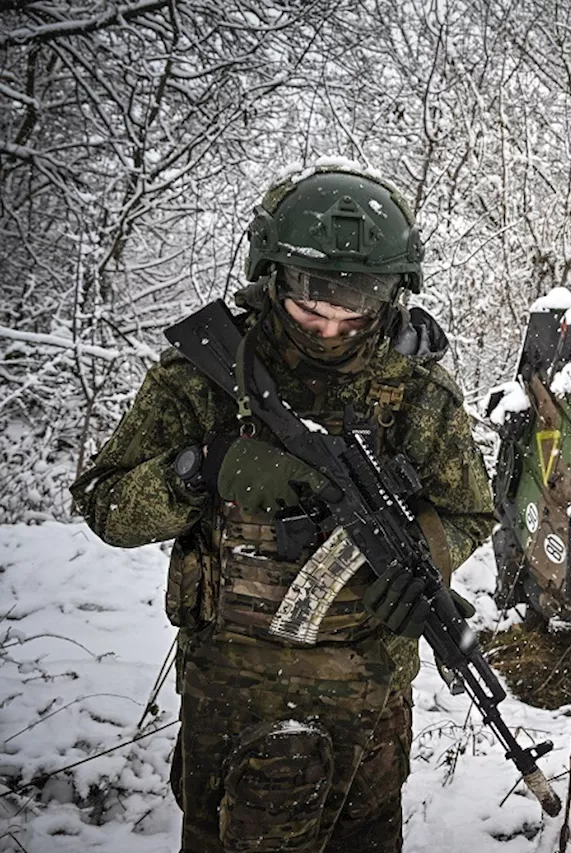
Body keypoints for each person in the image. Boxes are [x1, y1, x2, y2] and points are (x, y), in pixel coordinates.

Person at [70, 164, 495, 852]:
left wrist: (420, 560)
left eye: (354, 307)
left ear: (393, 294)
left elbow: (472, 511)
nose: (329, 326)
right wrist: (202, 469)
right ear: (272, 274)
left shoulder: (415, 390)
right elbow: (104, 501)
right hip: (237, 701)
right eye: (309, 302)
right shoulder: (206, 376)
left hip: (373, 707)